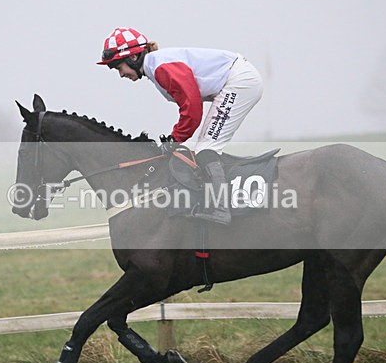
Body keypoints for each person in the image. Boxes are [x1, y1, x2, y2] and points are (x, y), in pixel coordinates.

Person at [97, 27, 263, 225]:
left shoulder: (161, 68)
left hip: (240, 82)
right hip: (238, 80)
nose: (121, 74)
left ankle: (221, 209)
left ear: (133, 58)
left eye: (119, 68)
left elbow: (192, 108)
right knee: (204, 147)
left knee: (207, 149)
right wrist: (175, 138)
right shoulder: (155, 66)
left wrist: (175, 138)